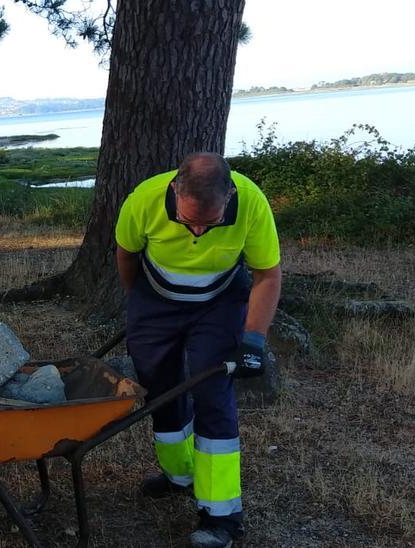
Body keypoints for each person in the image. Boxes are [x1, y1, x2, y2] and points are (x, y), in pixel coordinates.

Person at [114, 152, 282, 548]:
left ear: (229, 195)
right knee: (159, 390)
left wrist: (253, 339)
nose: (198, 231)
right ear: (175, 189)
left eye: (210, 223)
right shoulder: (144, 198)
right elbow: (126, 253)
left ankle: (221, 515)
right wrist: (139, 302)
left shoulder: (252, 202)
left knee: (213, 395)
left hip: (219, 304)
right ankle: (180, 476)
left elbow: (267, 274)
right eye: (189, 221)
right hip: (156, 301)